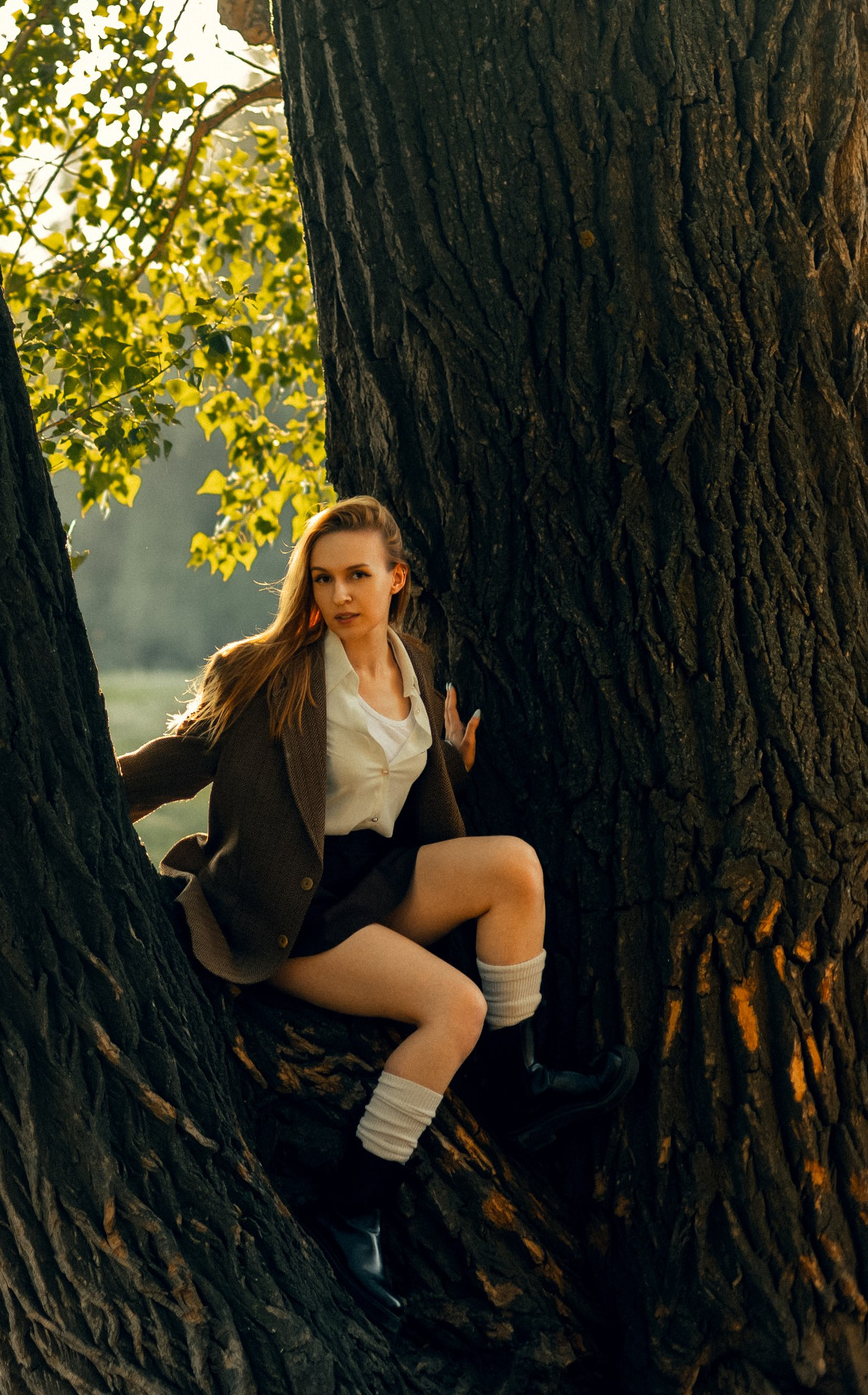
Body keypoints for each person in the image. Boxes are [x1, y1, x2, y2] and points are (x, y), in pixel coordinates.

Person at [116, 494, 636, 1324]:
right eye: (323, 579)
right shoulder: (262, 674)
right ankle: (353, 1206)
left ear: (396, 579)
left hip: (379, 878)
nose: (340, 595)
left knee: (513, 867)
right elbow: (171, 767)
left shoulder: (414, 662)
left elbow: (390, 790)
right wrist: (61, 806)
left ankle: (517, 1085)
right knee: (453, 1006)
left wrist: (451, 770)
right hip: (296, 909)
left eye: (359, 575)